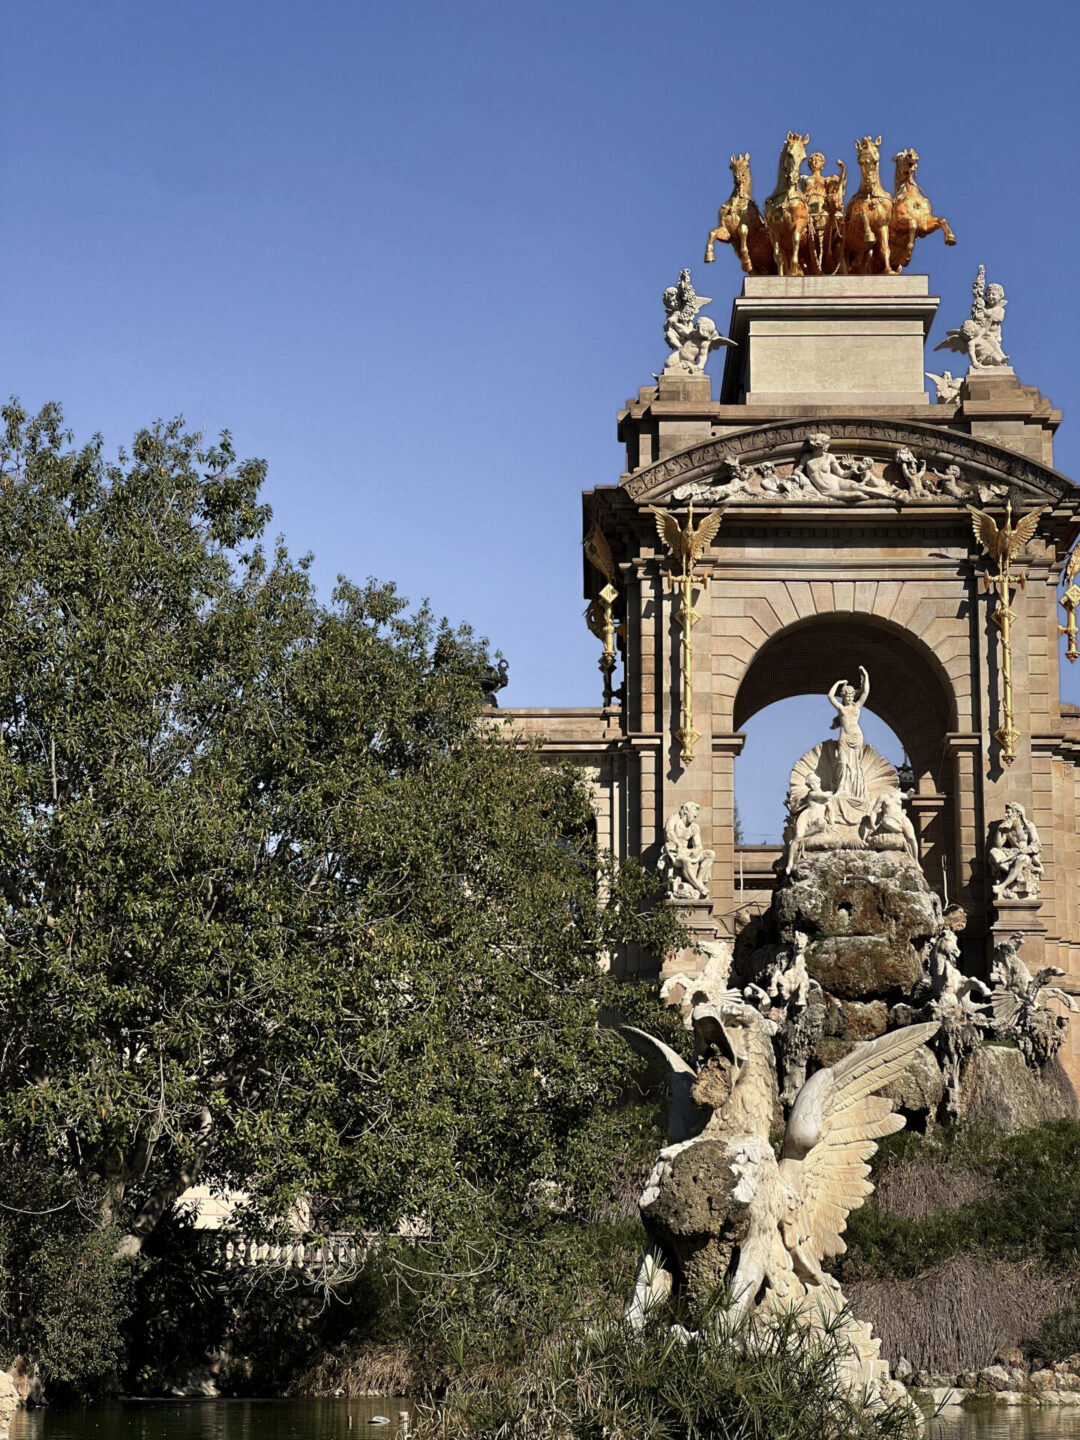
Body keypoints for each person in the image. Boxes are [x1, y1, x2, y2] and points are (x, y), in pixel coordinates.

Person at [827, 666, 870, 809]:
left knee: (854, 765)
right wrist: (839, 683)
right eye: (846, 696)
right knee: (843, 763)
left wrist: (865, 674)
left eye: (851, 696)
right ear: (843, 697)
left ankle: (855, 791)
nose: (849, 698)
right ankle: (842, 789)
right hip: (844, 738)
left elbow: (865, 692)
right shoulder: (841, 709)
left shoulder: (857, 707)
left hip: (856, 737)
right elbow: (830, 697)